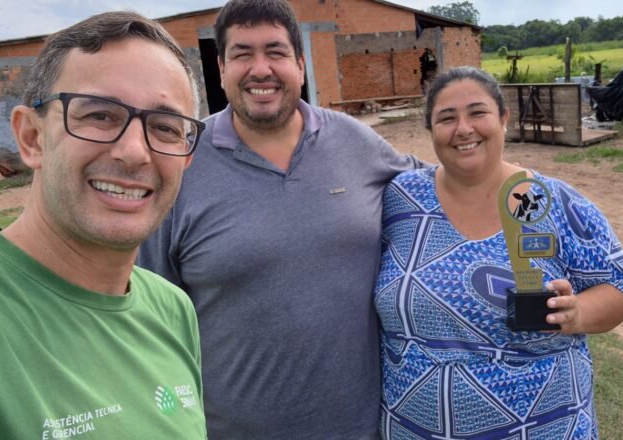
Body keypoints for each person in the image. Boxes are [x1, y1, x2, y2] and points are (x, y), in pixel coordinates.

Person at [137, 0, 423, 437]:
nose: (261, 69)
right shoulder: (182, 165)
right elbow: (149, 315)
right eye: (242, 54)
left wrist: (514, 186)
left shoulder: (355, 142)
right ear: (221, 68)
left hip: (362, 429)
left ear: (300, 65)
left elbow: (442, 190)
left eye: (275, 52)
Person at [0, 12, 207, 439]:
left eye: (164, 128)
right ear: (32, 138)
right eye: (100, 116)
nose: (134, 152)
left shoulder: (172, 309)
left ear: (186, 156)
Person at [374, 66, 623, 439]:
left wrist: (578, 313)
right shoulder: (400, 199)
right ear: (431, 130)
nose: (463, 129)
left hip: (543, 428)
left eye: (477, 113)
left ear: (503, 118)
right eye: (446, 118)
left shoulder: (553, 202)